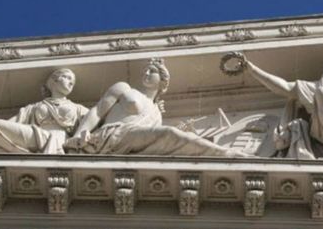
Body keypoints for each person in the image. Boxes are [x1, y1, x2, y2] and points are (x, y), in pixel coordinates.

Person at [64, 58, 246, 157]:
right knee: (169, 134)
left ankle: (221, 154)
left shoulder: (156, 112)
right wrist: (82, 132)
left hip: (131, 141)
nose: (146, 72)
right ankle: (225, 154)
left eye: (152, 71)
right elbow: (97, 111)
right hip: (113, 135)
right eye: (146, 70)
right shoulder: (124, 88)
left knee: (172, 135)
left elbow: (151, 137)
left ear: (163, 82)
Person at [0, 68, 88, 154]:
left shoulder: (78, 108)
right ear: (55, 80)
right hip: (37, 136)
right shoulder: (34, 107)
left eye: (73, 82)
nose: (71, 83)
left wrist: (84, 134)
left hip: (63, 140)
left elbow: (95, 122)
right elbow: (10, 123)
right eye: (68, 77)